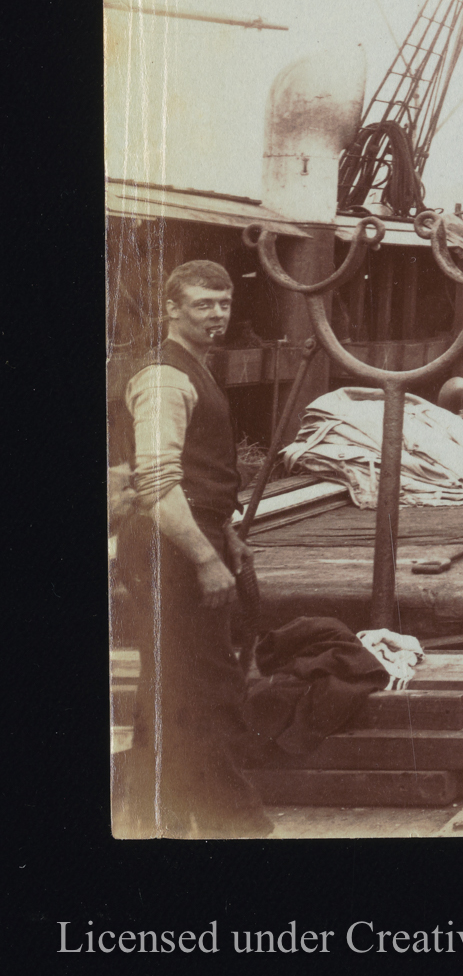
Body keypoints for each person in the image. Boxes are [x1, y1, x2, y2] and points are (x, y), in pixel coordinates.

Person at [114, 259, 271, 837]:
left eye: (224, 304)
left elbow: (195, 475)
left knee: (173, 687)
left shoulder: (195, 370)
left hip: (189, 537)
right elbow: (156, 483)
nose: (217, 315)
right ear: (172, 310)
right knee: (209, 689)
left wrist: (225, 532)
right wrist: (205, 559)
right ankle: (238, 829)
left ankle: (161, 823)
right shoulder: (164, 378)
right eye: (203, 305)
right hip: (169, 550)